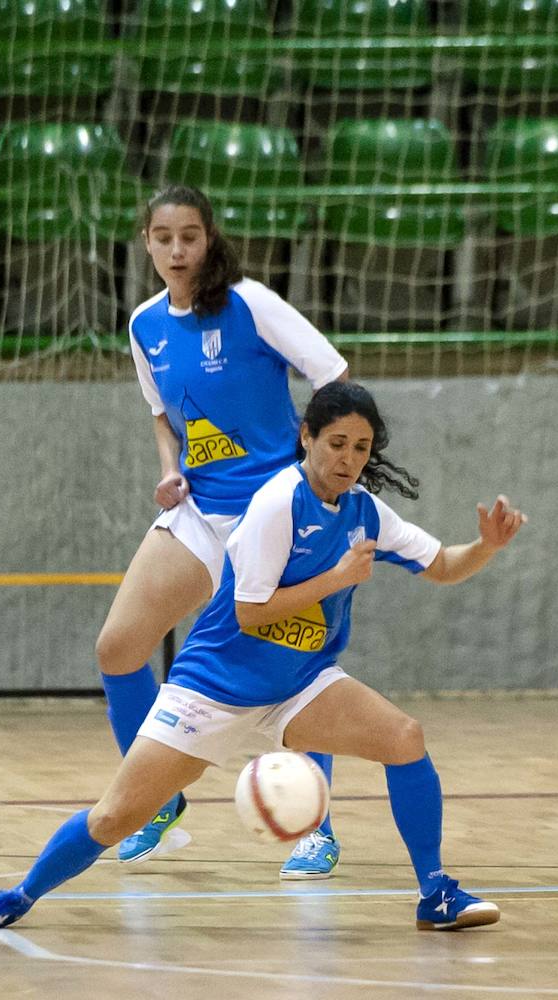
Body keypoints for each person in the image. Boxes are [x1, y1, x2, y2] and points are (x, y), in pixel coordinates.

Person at [0, 380, 524, 933]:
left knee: (404, 737)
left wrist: (486, 548)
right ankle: (14, 898)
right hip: (213, 689)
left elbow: (444, 566)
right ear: (307, 437)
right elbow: (253, 614)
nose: (348, 459)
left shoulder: (366, 512)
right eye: (337, 443)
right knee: (114, 817)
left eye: (361, 448)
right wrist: (336, 577)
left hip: (299, 685)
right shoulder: (277, 502)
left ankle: (437, 893)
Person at [101, 185, 349, 878]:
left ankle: (315, 828)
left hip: (270, 512)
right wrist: (170, 470)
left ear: (209, 238)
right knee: (119, 647)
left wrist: (312, 476)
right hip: (198, 511)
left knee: (291, 668)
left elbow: (333, 376)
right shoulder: (145, 324)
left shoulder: (250, 304)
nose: (176, 250)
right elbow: (161, 413)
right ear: (145, 243)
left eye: (189, 236)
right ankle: (159, 798)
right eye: (162, 237)